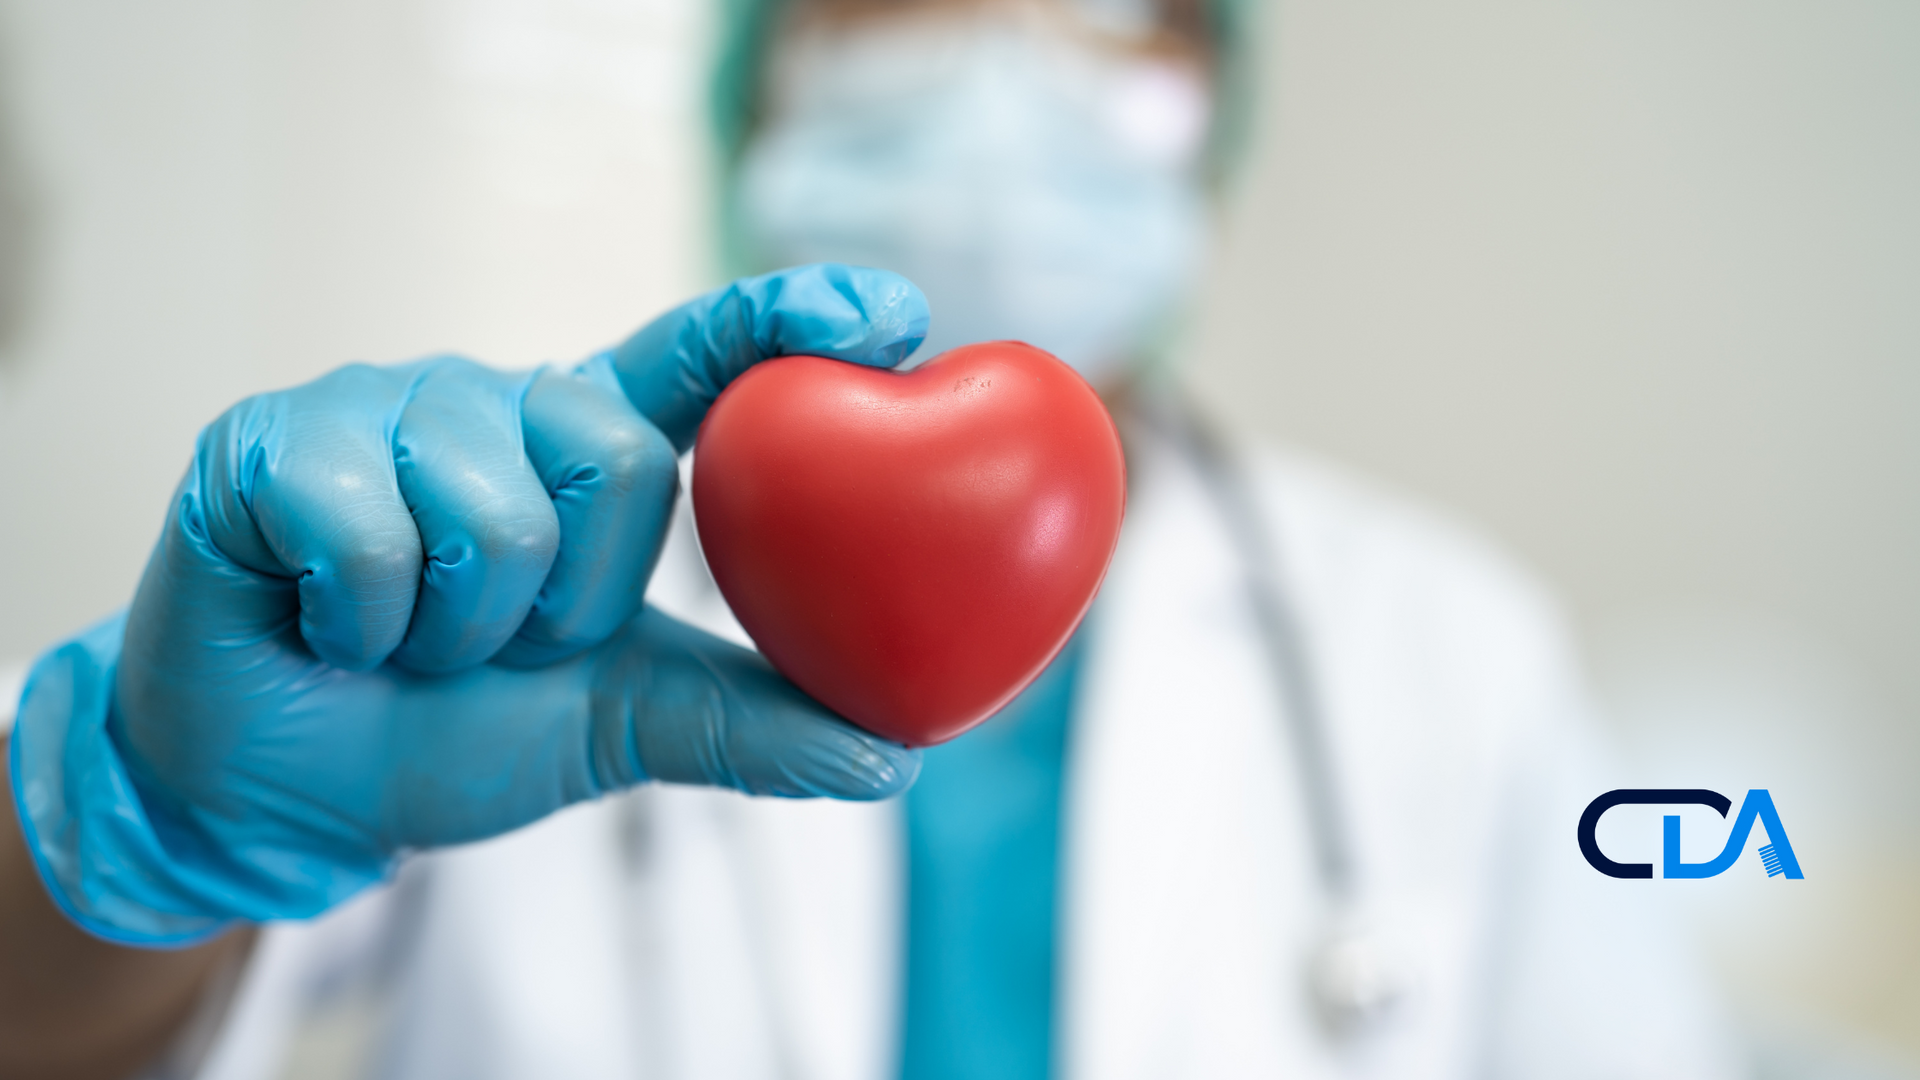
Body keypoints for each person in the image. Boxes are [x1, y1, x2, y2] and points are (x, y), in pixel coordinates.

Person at [1, 1, 1744, 1078]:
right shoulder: (494, 570)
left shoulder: (1449, 649)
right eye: (894, 10)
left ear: (1211, 134)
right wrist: (138, 829)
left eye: (1110, 14)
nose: (999, 79)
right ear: (758, 98)